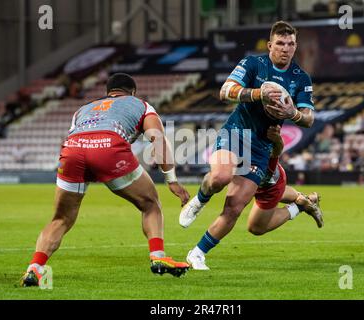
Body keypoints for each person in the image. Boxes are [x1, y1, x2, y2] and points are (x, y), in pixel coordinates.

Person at [21, 73, 190, 286]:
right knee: (150, 203)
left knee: (61, 219)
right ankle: (158, 256)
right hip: (108, 147)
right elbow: (157, 137)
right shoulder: (142, 105)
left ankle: (34, 269)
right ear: (133, 92)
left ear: (108, 93)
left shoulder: (83, 109)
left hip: (72, 150)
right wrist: (172, 180)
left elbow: (74, 136)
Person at [180, 21, 316, 270]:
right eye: (280, 43)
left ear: (295, 46)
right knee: (220, 178)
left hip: (262, 149)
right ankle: (200, 199)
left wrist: (293, 112)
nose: (286, 49)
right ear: (270, 45)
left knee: (235, 207)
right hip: (236, 132)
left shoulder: (301, 78)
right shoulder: (254, 64)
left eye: (291, 44)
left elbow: (309, 118)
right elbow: (226, 90)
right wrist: (258, 94)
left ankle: (197, 253)